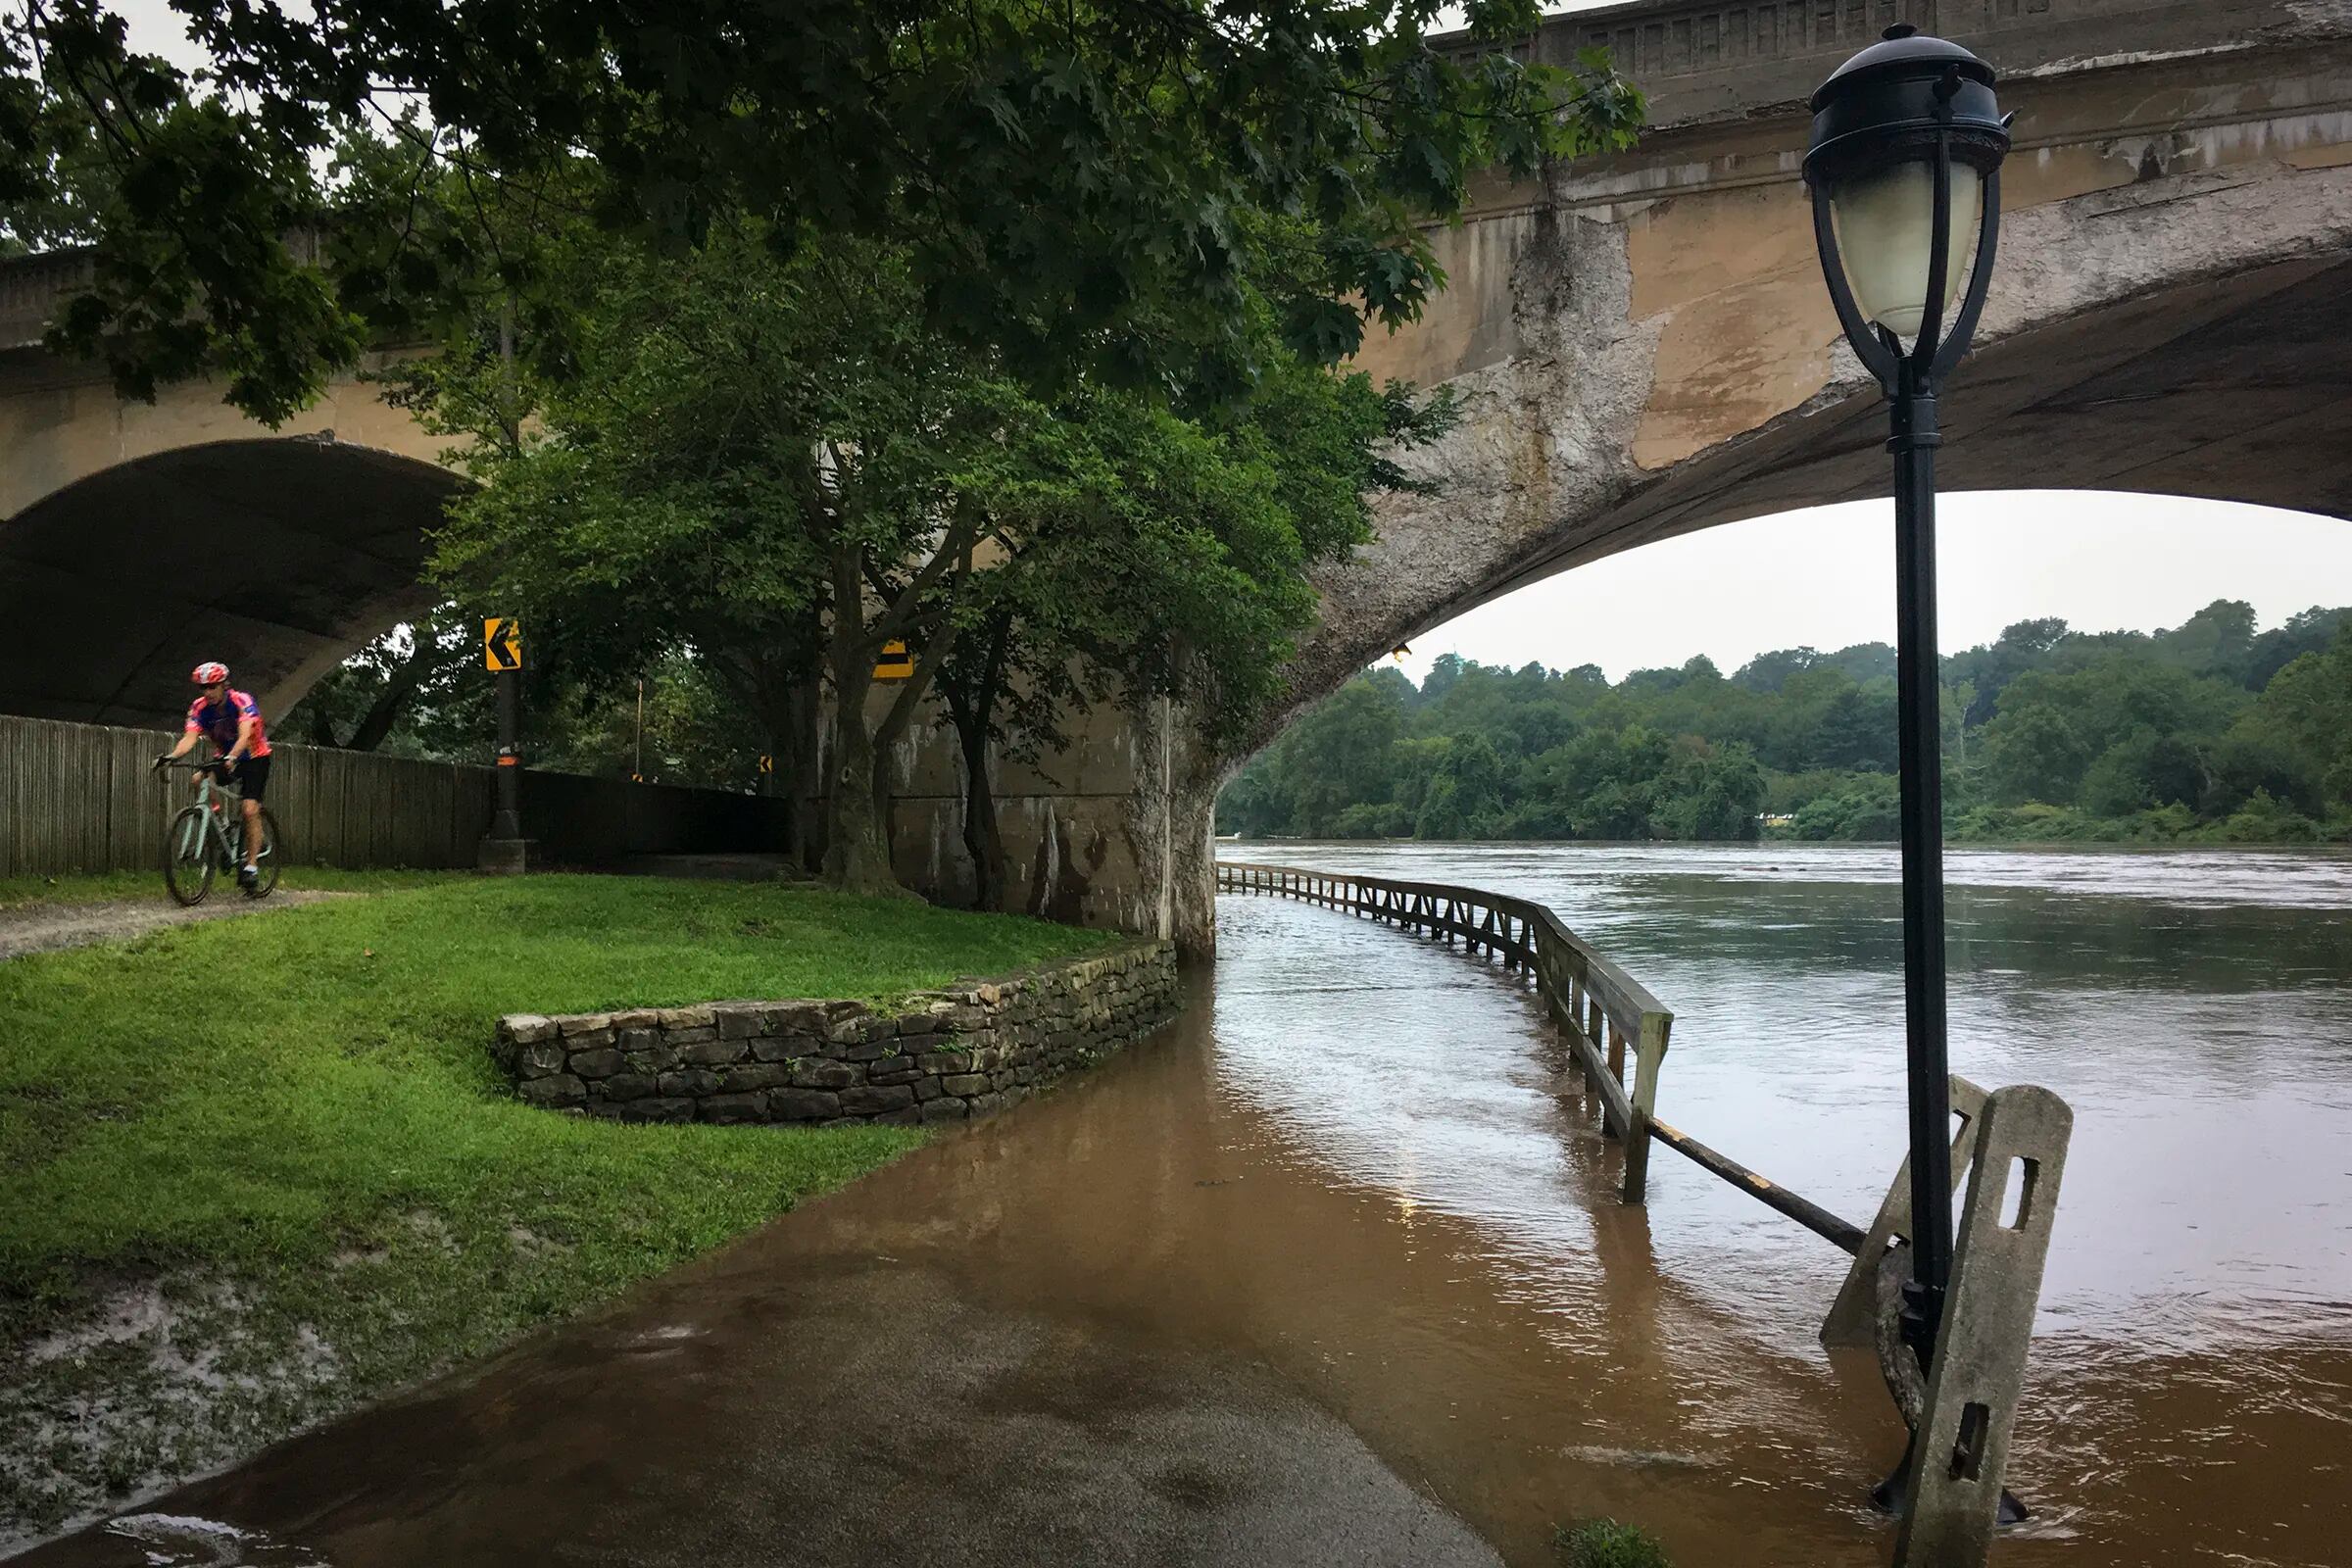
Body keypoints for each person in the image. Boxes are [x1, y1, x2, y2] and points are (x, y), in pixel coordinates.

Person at [158, 662, 273, 890]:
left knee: (249, 809)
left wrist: (232, 757)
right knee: (198, 779)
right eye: (203, 688)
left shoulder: (242, 701)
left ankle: (251, 866)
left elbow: (244, 735)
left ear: (224, 685)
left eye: (212, 687)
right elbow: (189, 738)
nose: (208, 692)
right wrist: (172, 756)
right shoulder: (199, 708)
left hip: (254, 756)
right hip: (225, 756)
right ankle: (222, 823)